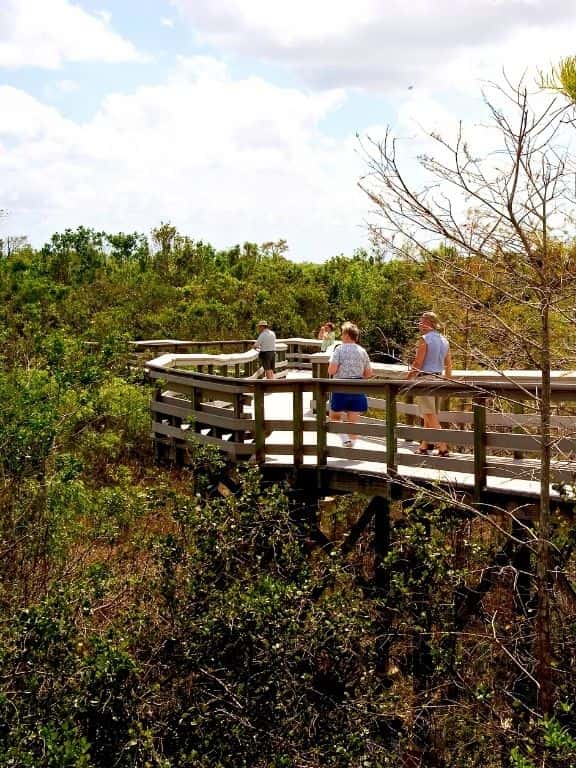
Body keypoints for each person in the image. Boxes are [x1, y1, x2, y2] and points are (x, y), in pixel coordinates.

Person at [407, 311, 452, 456]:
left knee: (429, 414)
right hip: (439, 380)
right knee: (429, 415)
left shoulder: (424, 339)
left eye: (421, 322)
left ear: (428, 323)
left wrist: (408, 378)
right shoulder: (444, 340)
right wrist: (448, 382)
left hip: (425, 380)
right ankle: (424, 446)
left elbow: (418, 363)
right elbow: (448, 365)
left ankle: (443, 447)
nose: (419, 325)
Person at [328, 321, 373, 448]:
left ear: (347, 335)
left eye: (342, 334)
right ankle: (351, 447)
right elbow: (369, 373)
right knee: (353, 421)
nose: (341, 336)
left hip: (340, 386)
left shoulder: (339, 349)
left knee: (334, 416)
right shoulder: (362, 351)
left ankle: (344, 439)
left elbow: (331, 370)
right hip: (357, 387)